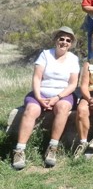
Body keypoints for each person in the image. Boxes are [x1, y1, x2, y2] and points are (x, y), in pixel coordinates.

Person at [11, 27, 80, 170]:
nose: (64, 42)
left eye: (68, 40)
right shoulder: (45, 54)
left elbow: (73, 84)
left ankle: (53, 147)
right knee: (31, 109)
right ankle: (19, 150)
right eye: (61, 38)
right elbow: (37, 77)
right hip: (41, 93)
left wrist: (58, 97)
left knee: (63, 108)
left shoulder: (73, 59)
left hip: (63, 94)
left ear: (71, 43)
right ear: (56, 40)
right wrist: (38, 97)